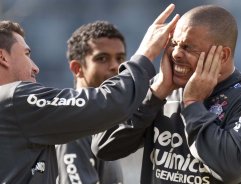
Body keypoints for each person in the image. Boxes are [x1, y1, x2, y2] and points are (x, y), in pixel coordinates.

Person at [92, 5, 241, 184]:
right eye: (174, 44)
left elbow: (231, 167)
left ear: (222, 56)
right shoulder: (162, 91)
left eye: (188, 47)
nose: (176, 54)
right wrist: (155, 95)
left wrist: (192, 103)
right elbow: (104, 147)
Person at [0, 4, 180, 183]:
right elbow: (108, 103)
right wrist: (145, 55)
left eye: (120, 58)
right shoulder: (14, 99)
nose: (35, 67)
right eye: (26, 54)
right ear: (3, 57)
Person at [56, 21, 127, 184]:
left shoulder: (103, 121)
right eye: (102, 58)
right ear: (77, 68)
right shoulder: (74, 126)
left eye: (120, 58)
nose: (115, 66)